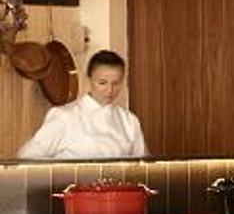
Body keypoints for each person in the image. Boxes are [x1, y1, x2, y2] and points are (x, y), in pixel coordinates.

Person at [20, 49, 149, 161]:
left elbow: (143, 166)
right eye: (102, 83)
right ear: (89, 79)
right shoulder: (64, 116)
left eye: (116, 83)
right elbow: (26, 159)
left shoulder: (129, 120)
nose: (110, 90)